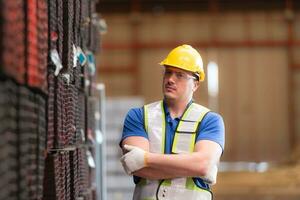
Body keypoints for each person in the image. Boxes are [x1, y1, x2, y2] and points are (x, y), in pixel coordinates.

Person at [120, 44, 225, 200]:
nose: (170, 79)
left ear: (195, 84)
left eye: (179, 75)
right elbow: (135, 166)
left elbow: (203, 164)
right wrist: (194, 167)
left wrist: (146, 158)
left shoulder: (210, 120)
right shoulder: (138, 116)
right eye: (168, 73)